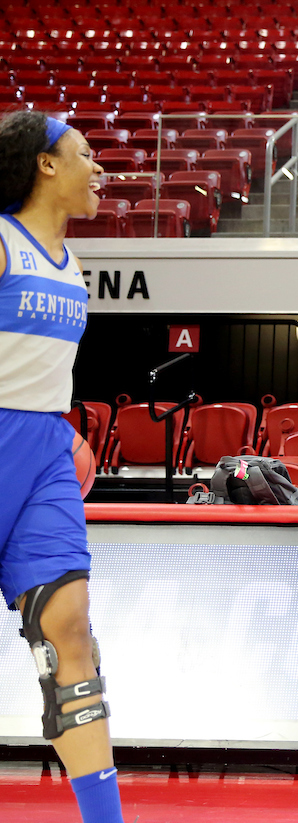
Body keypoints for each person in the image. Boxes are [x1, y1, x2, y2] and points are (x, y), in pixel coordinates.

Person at [0, 111, 126, 823]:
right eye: (85, 154)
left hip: (45, 452)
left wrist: (56, 426)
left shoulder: (69, 261)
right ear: (45, 165)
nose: (99, 167)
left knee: (70, 629)